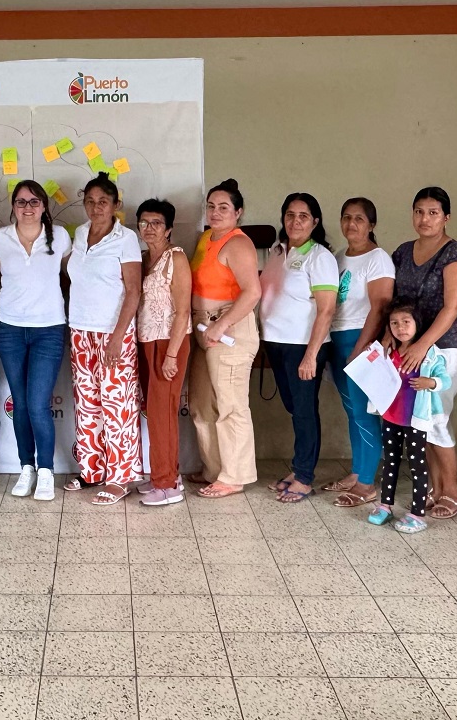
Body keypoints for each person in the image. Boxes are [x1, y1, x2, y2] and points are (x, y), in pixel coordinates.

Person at [0, 180, 70, 502]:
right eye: (21, 202)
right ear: (13, 206)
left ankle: (46, 470)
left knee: (37, 404)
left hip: (49, 329)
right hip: (9, 329)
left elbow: (72, 275)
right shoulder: (0, 238)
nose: (28, 207)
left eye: (34, 201)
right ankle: (26, 468)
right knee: (20, 403)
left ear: (44, 206)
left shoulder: (60, 236)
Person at [391, 187, 457, 520]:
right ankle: (430, 489)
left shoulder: (455, 255)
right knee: (418, 422)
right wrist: (390, 338)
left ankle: (452, 492)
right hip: (408, 347)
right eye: (419, 212)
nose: (424, 219)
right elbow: (395, 303)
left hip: (444, 348)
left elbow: (452, 308)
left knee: (436, 419)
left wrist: (422, 345)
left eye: (433, 213)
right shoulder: (402, 252)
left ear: (446, 217)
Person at [65, 174, 144, 506]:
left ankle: (120, 478)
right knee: (87, 405)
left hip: (114, 333)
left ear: (116, 205)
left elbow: (134, 291)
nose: (96, 207)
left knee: (117, 406)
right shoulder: (80, 233)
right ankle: (92, 470)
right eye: (90, 201)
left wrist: (117, 337)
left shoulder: (126, 238)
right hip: (80, 330)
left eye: (103, 202)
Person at [260, 193, 339, 504]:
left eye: (303, 216)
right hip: (276, 342)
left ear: (315, 222)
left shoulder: (319, 257)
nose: (295, 221)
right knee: (294, 408)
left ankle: (304, 477)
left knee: (304, 411)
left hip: (303, 346)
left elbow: (326, 310)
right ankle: (298, 469)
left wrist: (310, 355)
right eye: (290, 214)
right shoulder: (277, 252)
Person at [188, 179, 263, 498]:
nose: (215, 212)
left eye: (223, 207)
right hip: (203, 328)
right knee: (201, 404)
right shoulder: (207, 237)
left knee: (231, 406)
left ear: (238, 212)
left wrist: (222, 325)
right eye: (211, 206)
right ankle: (214, 469)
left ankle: (234, 476)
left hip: (229, 329)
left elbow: (253, 292)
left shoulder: (238, 244)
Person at [324, 197, 394, 507]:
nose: (351, 224)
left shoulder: (378, 259)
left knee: (365, 414)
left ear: (371, 224)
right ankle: (356, 472)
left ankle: (367, 483)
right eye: (346, 217)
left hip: (359, 340)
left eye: (359, 219)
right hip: (337, 337)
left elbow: (380, 307)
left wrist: (360, 348)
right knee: (351, 410)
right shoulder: (339, 256)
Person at [367, 302, 451, 535]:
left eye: (406, 322)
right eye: (394, 323)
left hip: (415, 419)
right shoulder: (388, 350)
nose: (400, 328)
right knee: (390, 461)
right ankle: (385, 506)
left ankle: (417, 514)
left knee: (416, 464)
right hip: (390, 416)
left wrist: (430, 382)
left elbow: (446, 380)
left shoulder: (430, 354)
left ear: (417, 323)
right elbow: (372, 370)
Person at [135, 199, 192, 507]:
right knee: (157, 413)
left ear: (169, 228)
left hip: (170, 342)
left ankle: (166, 485)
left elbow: (183, 311)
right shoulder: (143, 258)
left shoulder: (176, 258)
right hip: (146, 341)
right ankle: (168, 474)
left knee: (162, 414)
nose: (149, 228)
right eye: (144, 222)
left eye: (156, 223)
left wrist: (171, 355)